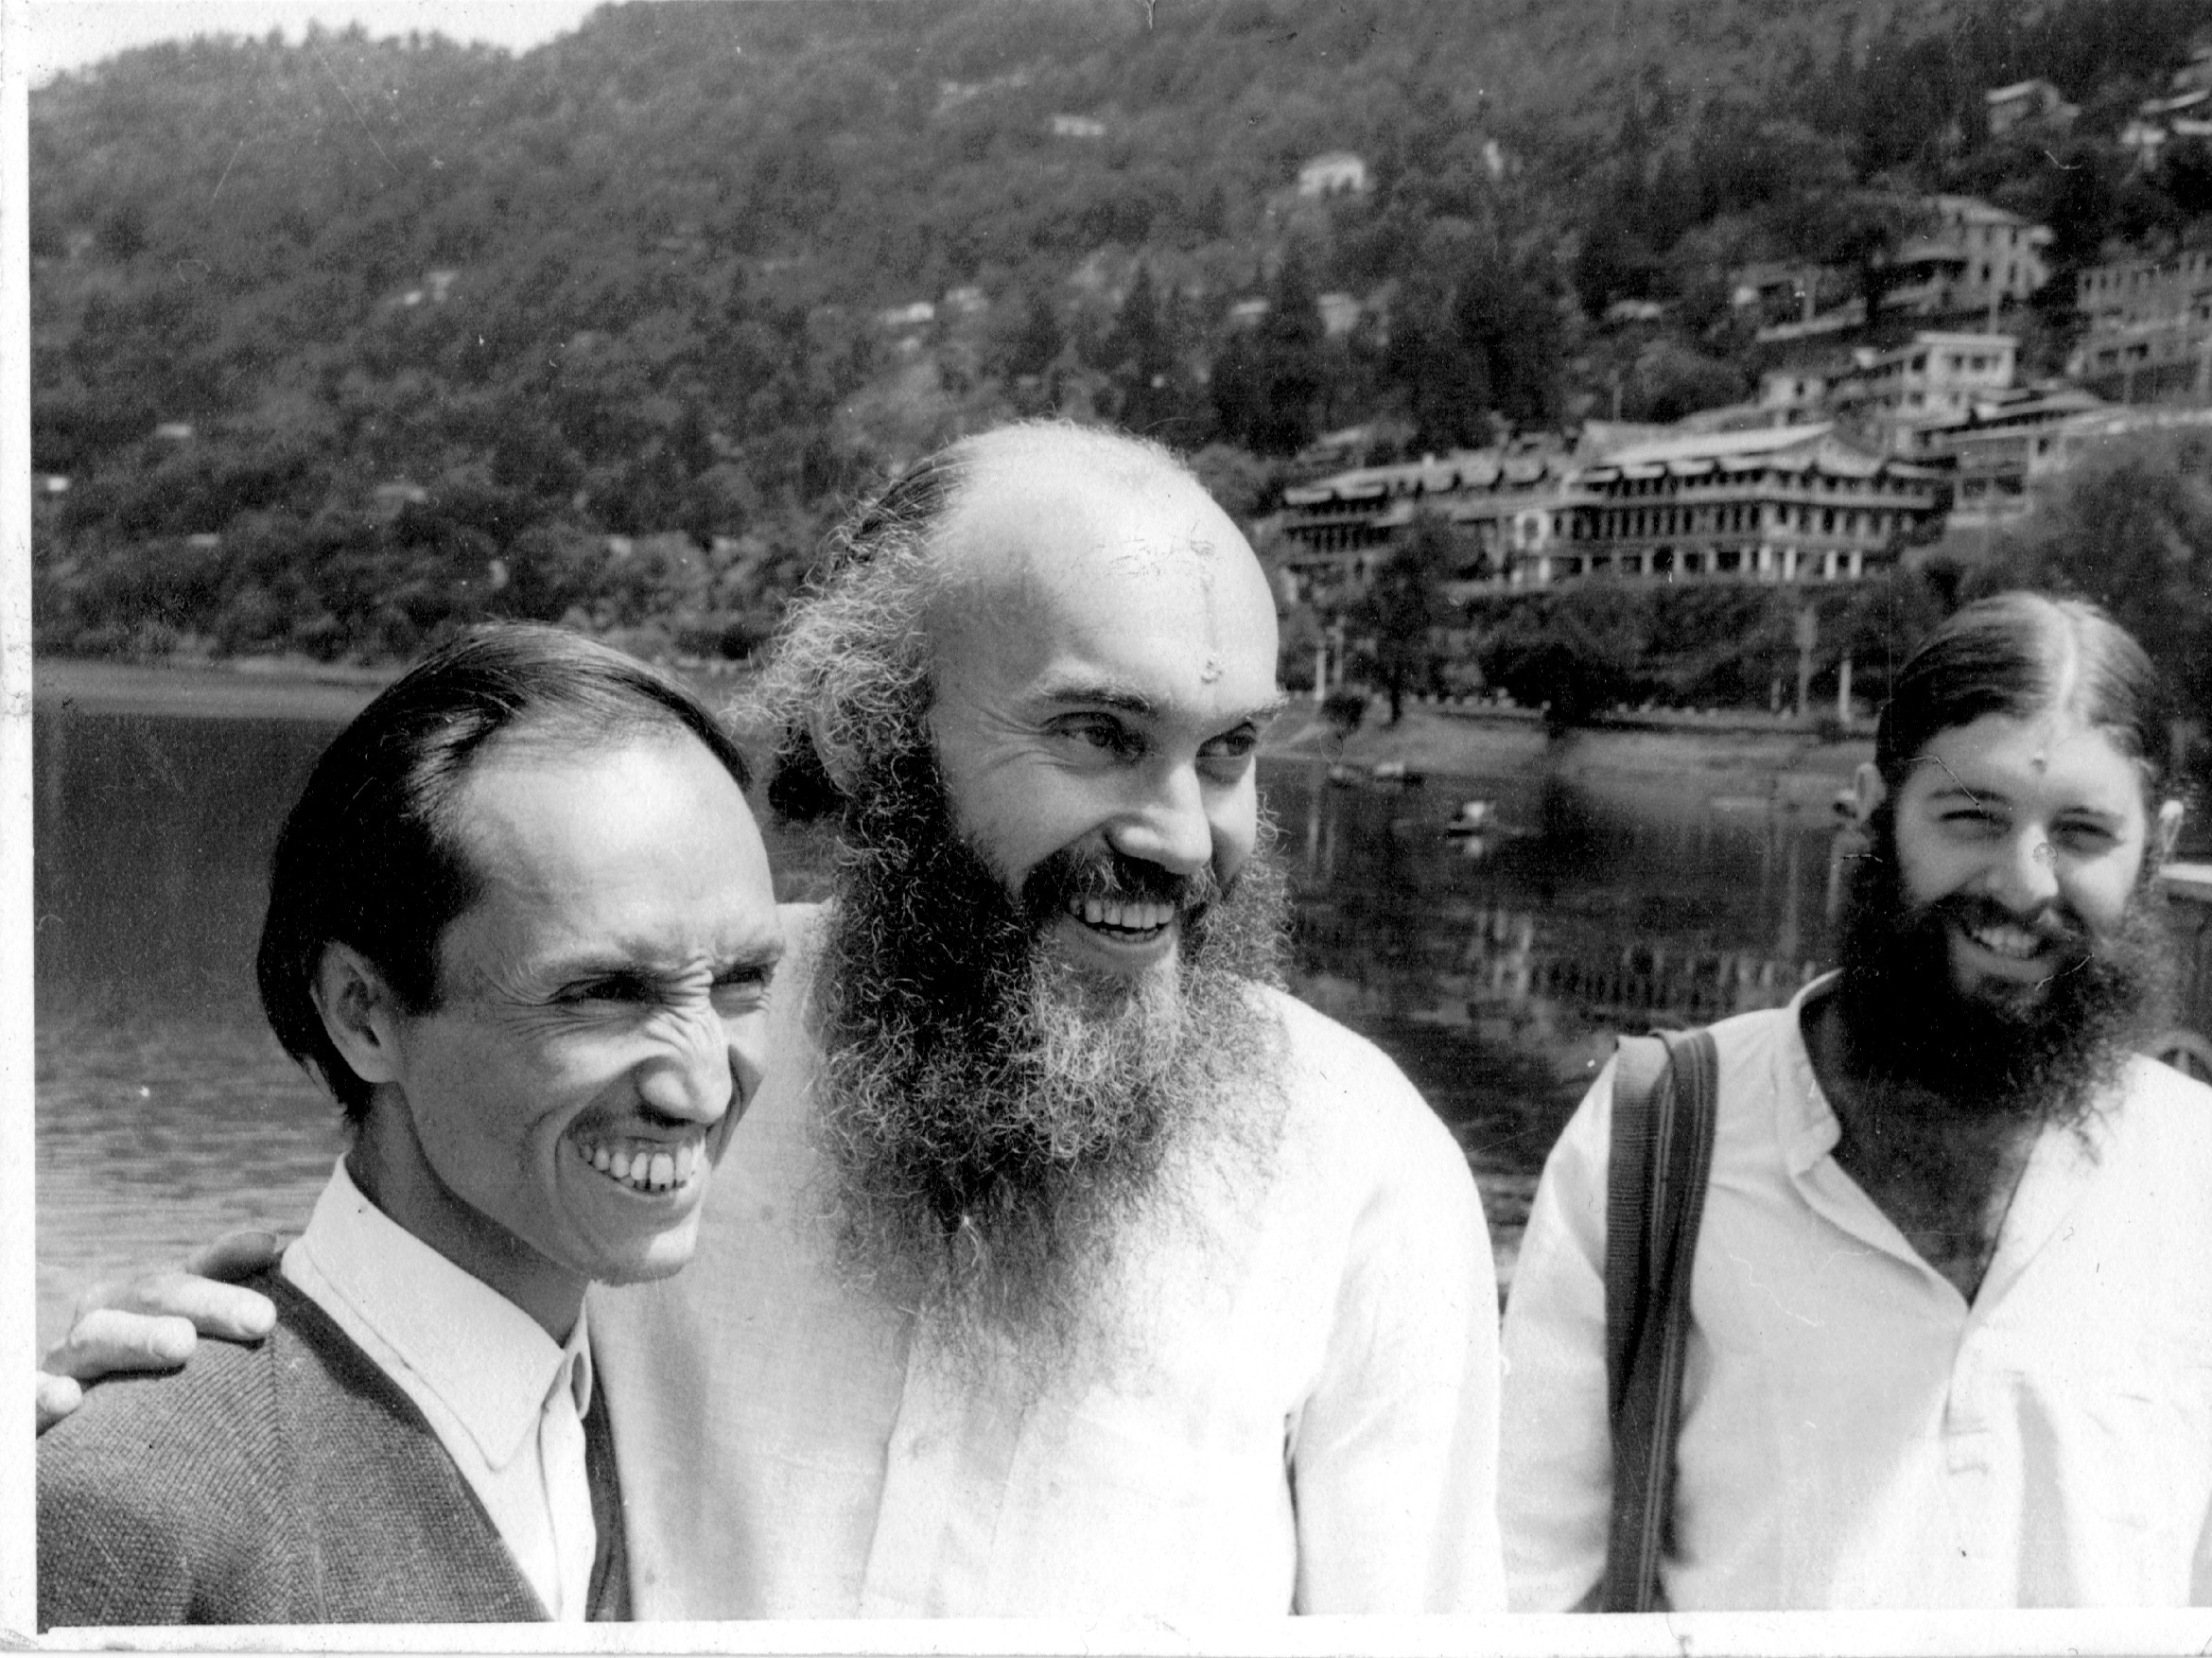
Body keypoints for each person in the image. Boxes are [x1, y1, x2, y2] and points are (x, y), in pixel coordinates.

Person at [41, 421, 1507, 1617]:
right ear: (879, 728)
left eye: (1231, 751)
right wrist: (160, 1411)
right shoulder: (669, 1056)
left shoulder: (1357, 1166)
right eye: (1100, 737)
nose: (1185, 838)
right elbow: (388, 1349)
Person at [1498, 591, 2212, 1610]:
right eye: (1972, 817)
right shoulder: (1665, 1132)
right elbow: (1528, 1582)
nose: (2024, 885)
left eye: (2082, 833)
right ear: (1872, 810)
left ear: (2157, 847)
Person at [36, 626, 781, 1627]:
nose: (700, 1088)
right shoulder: (122, 1501)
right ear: (364, 1014)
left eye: (742, 983)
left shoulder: (637, 1418)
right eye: (603, 993)